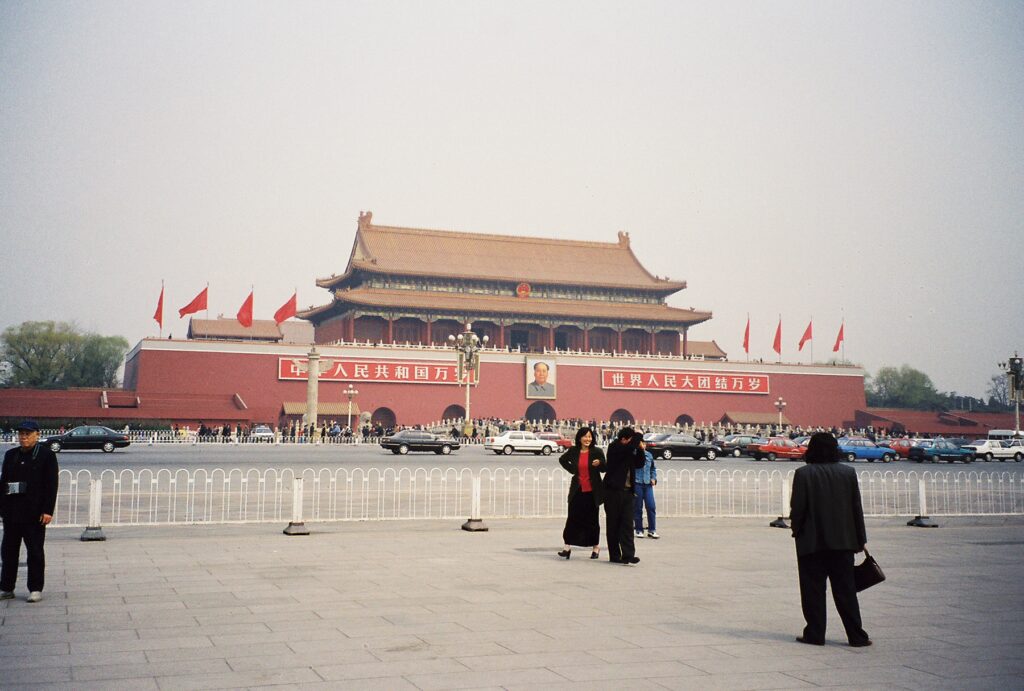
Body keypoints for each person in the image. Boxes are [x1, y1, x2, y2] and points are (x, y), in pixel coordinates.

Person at [790, 432, 871, 647]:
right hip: (843, 542)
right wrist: (860, 539)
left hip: (812, 543)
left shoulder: (803, 474)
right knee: (846, 591)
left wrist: (796, 531)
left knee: (813, 591)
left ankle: (815, 633)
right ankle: (856, 635)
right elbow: (856, 509)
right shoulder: (848, 473)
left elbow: (797, 510)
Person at [1, 420, 59, 603]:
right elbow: (3, 483)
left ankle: (35, 588)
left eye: (28, 434)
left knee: (34, 551)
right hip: (12, 512)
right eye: (21, 434)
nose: (24, 437)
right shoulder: (11, 455)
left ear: (37, 435)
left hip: (34, 514)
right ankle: (6, 587)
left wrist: (48, 510)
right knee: (8, 551)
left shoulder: (46, 455)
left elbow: (51, 485)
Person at [557, 426, 606, 560]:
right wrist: (572, 469)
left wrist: (600, 463)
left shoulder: (597, 451)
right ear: (579, 438)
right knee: (572, 518)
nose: (587, 439)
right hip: (577, 491)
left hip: (592, 492)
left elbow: (604, 468)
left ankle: (596, 547)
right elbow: (562, 460)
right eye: (585, 436)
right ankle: (567, 547)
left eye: (590, 436)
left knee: (592, 520)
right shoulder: (574, 451)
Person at [603, 426, 645, 564]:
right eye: (631, 440)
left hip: (628, 493)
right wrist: (638, 435)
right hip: (612, 492)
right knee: (613, 524)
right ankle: (614, 555)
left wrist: (640, 449)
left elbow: (639, 464)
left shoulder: (630, 449)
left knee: (627, 524)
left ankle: (628, 555)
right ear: (623, 439)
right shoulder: (615, 447)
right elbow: (626, 450)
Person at [633, 438, 658, 539]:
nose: (642, 445)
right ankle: (639, 529)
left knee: (651, 506)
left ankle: (652, 530)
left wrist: (653, 478)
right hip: (637, 483)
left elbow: (653, 468)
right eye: (640, 444)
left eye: (643, 444)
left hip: (647, 484)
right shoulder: (634, 455)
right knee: (638, 508)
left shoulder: (649, 455)